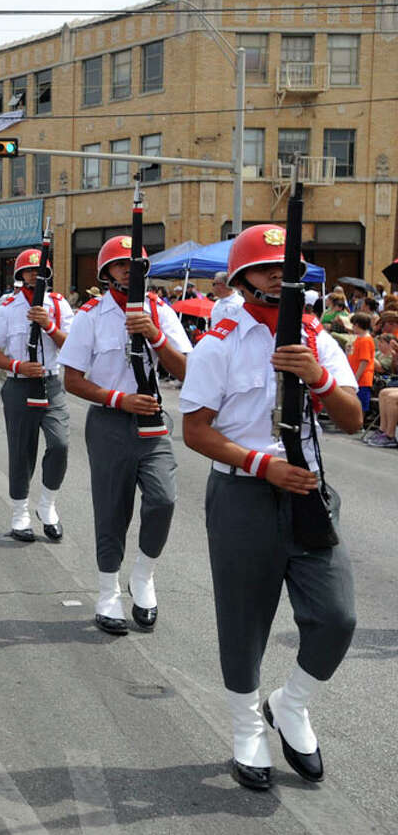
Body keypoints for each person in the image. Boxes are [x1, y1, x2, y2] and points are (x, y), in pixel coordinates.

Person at [179, 223, 360, 791]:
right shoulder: (220, 341)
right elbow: (195, 431)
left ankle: (292, 704)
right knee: (243, 620)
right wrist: (262, 465)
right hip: (242, 493)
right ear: (242, 277)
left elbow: (353, 418)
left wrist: (320, 376)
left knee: (337, 618)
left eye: (288, 269)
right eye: (266, 269)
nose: (280, 278)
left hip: (308, 489)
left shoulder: (316, 337)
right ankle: (245, 729)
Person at [58, 235, 192, 636]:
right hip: (110, 423)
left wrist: (155, 335)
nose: (128, 273)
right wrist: (119, 399)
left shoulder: (159, 311)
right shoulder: (91, 316)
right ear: (106, 273)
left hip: (152, 423)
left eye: (135, 266)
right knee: (111, 510)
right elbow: (73, 380)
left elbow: (186, 371)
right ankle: (107, 592)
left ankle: (143, 574)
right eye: (120, 266)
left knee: (163, 500)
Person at [0, 246, 74, 540]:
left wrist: (49, 324)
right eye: (29, 271)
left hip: (51, 384)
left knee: (60, 445)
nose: (35, 275)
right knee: (21, 451)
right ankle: (19, 512)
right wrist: (18, 366)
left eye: (40, 270)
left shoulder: (59, 306)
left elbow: (72, 348)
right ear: (21, 275)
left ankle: (47, 504)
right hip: (19, 386)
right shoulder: (8, 307)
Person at [346, 312, 375, 416]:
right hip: (356, 376)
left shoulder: (365, 340)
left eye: (353, 325)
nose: (352, 327)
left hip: (362, 378)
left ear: (358, 325)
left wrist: (356, 377)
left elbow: (364, 361)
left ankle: (360, 422)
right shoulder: (359, 338)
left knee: (361, 403)